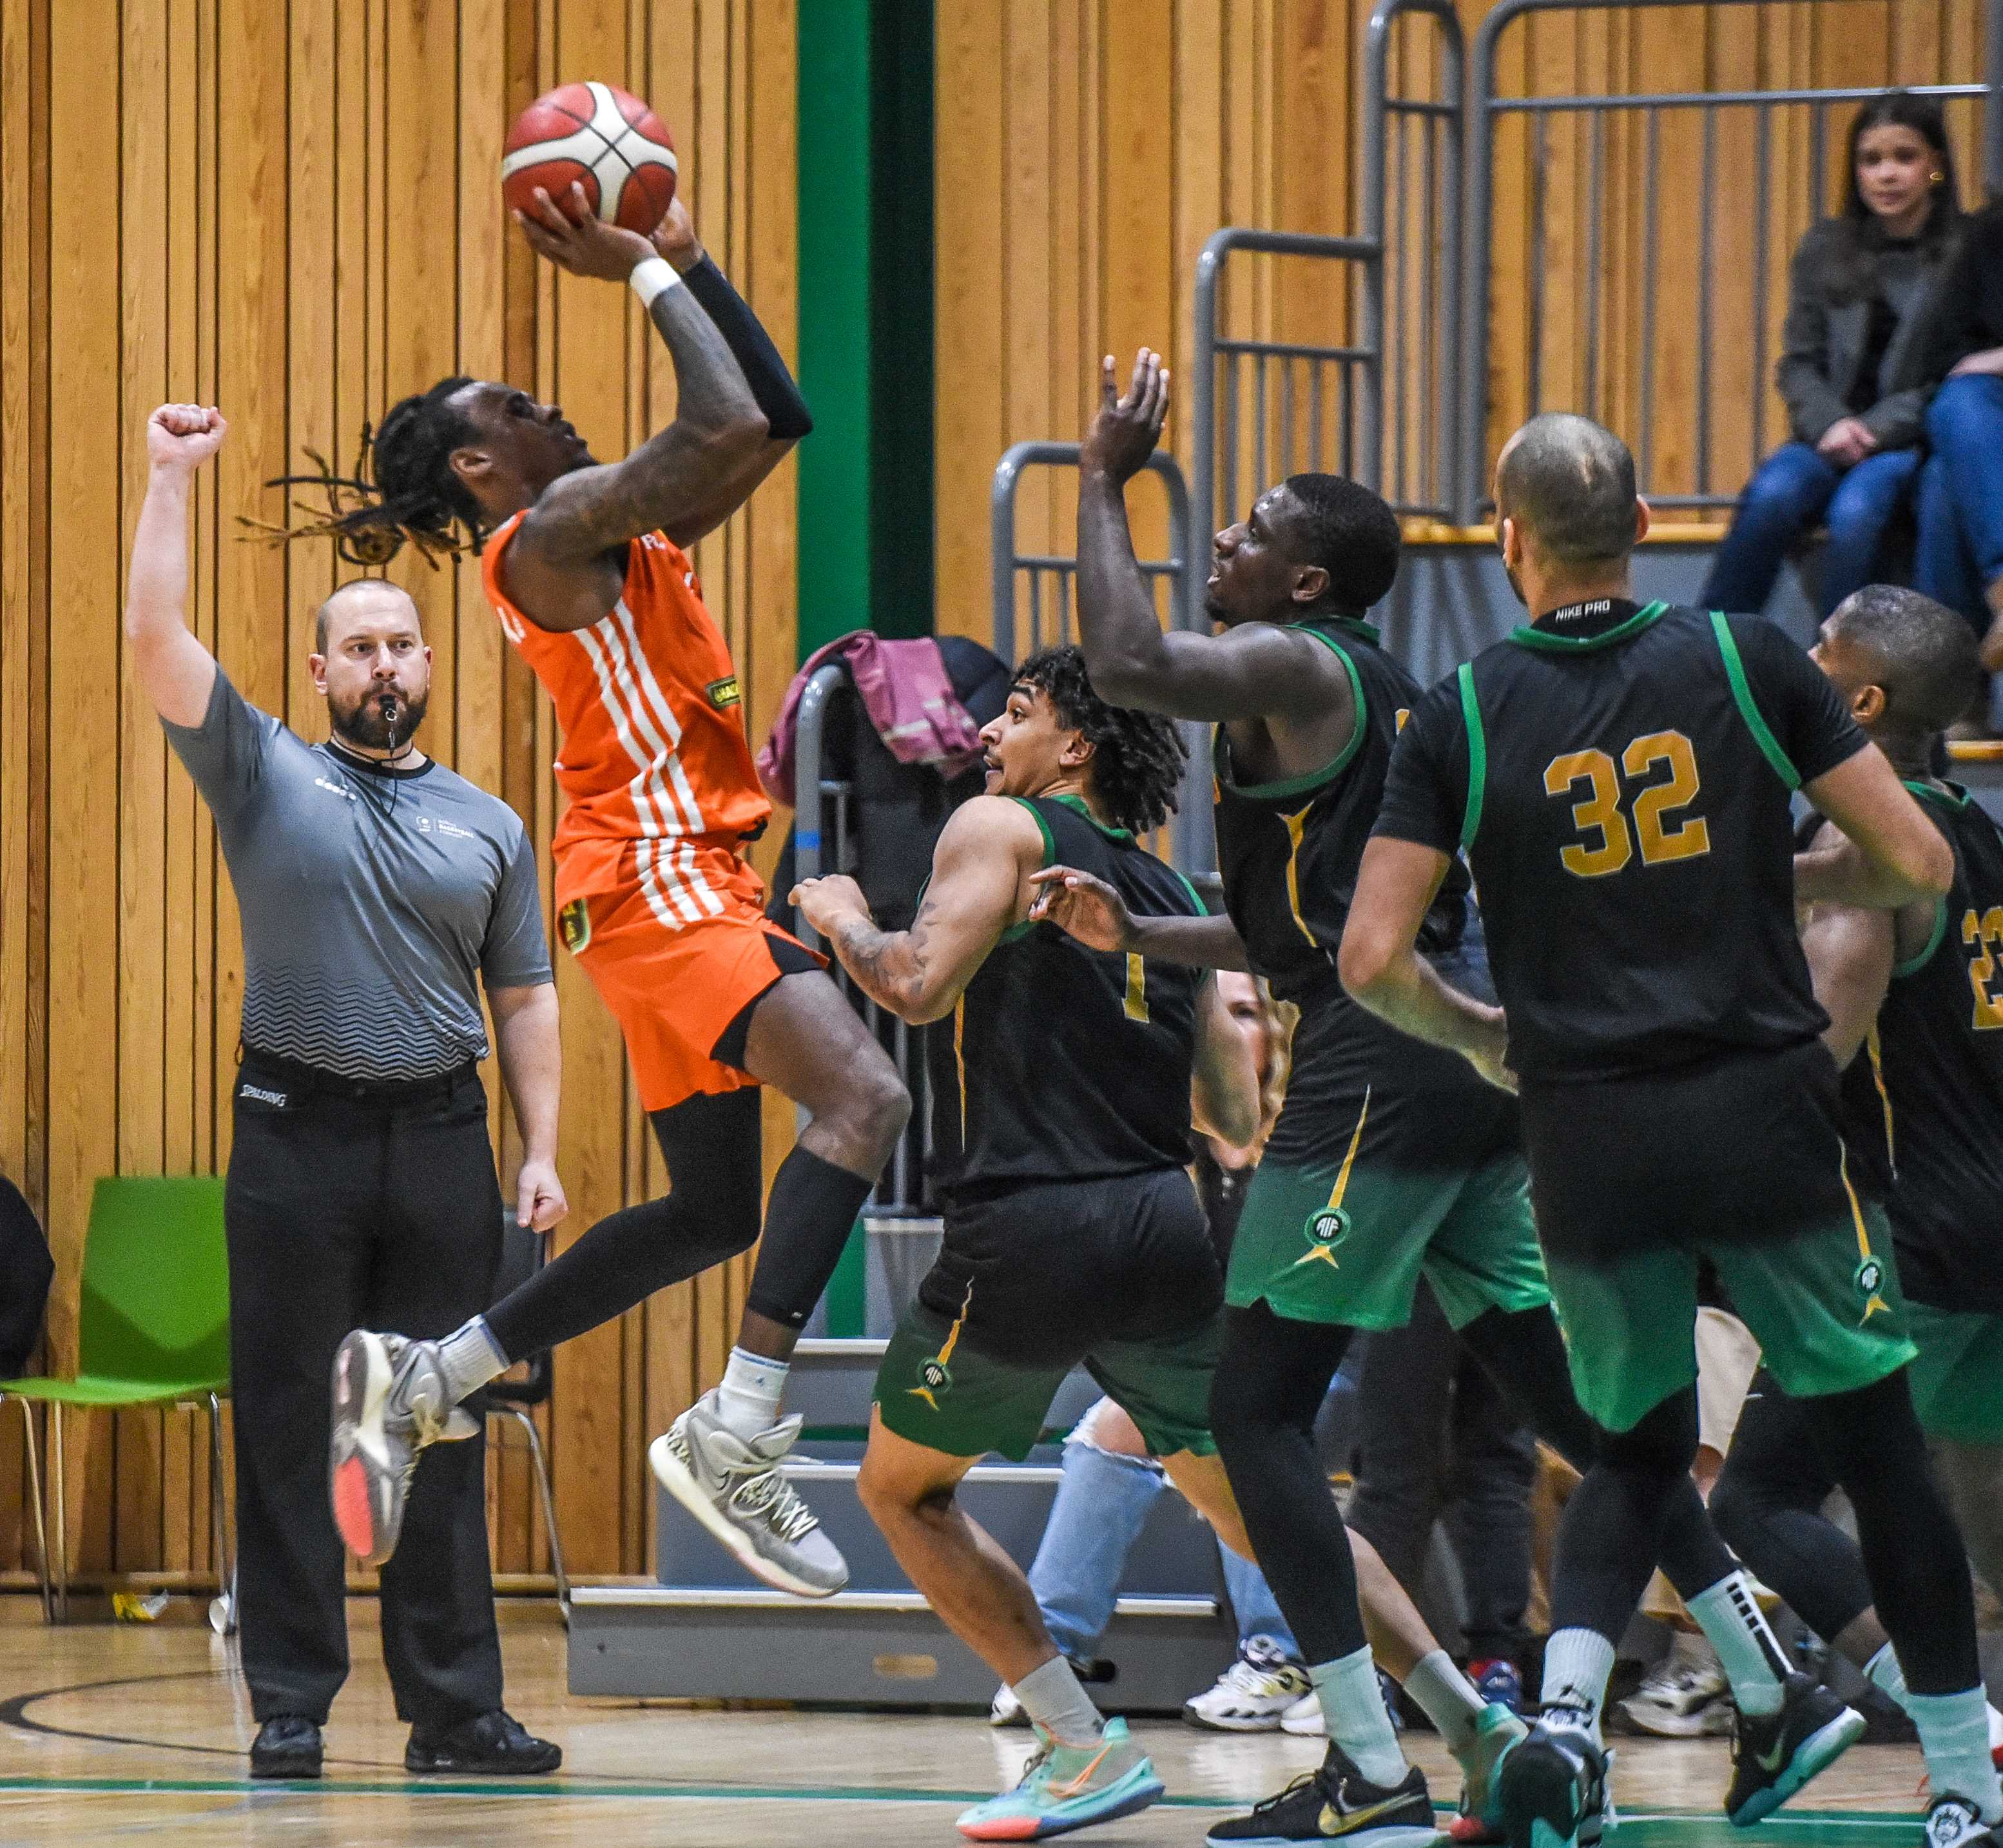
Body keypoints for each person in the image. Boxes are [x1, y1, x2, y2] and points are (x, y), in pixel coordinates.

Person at [1041, 355, 1835, 1848]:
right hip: (1451, 1065)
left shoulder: (1301, 663)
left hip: (1379, 1067)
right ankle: (1760, 1664)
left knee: (1255, 1405)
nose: (1224, 538)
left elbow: (1131, 659)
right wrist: (1142, 933)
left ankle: (1366, 1757)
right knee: (1570, 1405)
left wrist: (1104, 473)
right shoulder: (1359, 693)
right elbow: (1304, 925)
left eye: (1252, 524)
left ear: (1310, 574)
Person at [1344, 413, 1998, 1848]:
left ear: (1509, 539)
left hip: (1586, 1135)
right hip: (1762, 1115)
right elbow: (1918, 858)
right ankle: (1967, 1778)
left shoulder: (1453, 710)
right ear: (1642, 518)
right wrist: (1776, 876)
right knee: (1879, 1449)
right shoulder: (1746, 660)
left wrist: (1484, 1035)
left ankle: (1566, 1728)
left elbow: (1371, 955)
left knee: (1632, 1448)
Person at [310, 180, 910, 1600]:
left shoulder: (608, 533)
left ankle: (429, 1371)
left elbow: (768, 421)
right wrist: (642, 268)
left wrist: (692, 261)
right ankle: (739, 1428)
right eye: (514, 403)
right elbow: (708, 426)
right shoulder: (545, 538)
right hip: (656, 878)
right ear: (477, 469)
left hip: (680, 880)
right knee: (865, 1100)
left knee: (712, 1212)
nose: (548, 408)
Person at [127, 404, 565, 1779]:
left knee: (442, 1421)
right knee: (285, 1421)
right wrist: (169, 479)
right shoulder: (262, 768)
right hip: (292, 1137)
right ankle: (293, 1708)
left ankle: (454, 1714)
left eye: (400, 642)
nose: (382, 662)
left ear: (431, 664)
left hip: (443, 1140)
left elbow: (529, 996)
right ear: (317, 669)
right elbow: (154, 639)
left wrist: (541, 1146)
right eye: (357, 645)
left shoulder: (490, 821)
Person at [793, 646, 1261, 1840]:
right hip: (1164, 1219)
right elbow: (1235, 1116)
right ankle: (1456, 1723)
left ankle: (1073, 1740)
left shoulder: (998, 820)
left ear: (1074, 749)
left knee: (899, 1488)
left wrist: (846, 916)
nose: (986, 734)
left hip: (1034, 1224)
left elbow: (911, 985)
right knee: (1266, 1506)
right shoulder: (1163, 887)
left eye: (1014, 712)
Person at [1709, 583, 2003, 1767]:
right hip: (1984, 1221)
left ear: (1860, 697)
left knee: (1757, 1502)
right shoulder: (1978, 832)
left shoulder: (1853, 845)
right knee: (1982, 1524)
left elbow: (1814, 1051)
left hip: (1906, 1233)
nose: (1795, 665)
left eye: (1815, 652)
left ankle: (1965, 1728)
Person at [987, 970, 1319, 1736]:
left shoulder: (1307, 1143)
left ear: (1276, 1031)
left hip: (1332, 1363)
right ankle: (1050, 1655)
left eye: (1245, 1012)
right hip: (1233, 1365)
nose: (1228, 1031)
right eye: (1216, 1014)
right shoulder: (1178, 1152)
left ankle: (1282, 1652)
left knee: (1233, 1417)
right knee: (1116, 1419)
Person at [1701, 92, 1961, 619]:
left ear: (1935, 164)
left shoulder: (1964, 252)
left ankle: (1839, 675)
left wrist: (1874, 431)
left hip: (1907, 443)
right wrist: (1834, 425)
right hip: (1825, 436)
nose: (1886, 175)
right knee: (1772, 494)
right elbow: (1798, 362)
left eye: (1904, 157)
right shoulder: (1825, 246)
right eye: (1872, 160)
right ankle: (1707, 654)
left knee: (1857, 512)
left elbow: (1950, 375)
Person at [1915, 199, 2003, 673]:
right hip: (1988, 428)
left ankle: (1950, 689)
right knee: (1955, 419)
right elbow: (1945, 358)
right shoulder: (1991, 233)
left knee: (1945, 476)